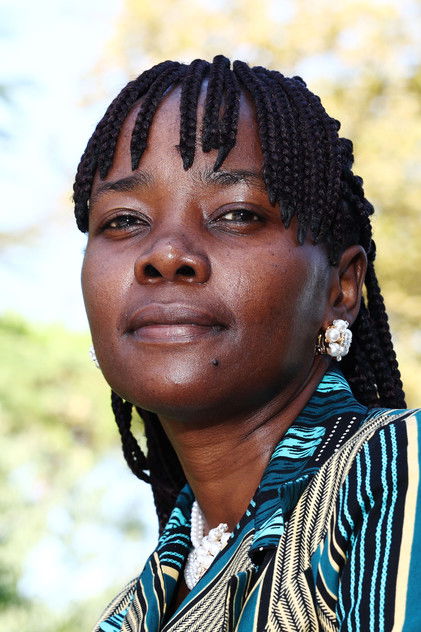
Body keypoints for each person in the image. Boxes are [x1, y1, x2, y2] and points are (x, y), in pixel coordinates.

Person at [73, 56, 421, 631]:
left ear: (341, 287)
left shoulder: (395, 471)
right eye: (124, 221)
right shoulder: (134, 611)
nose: (166, 254)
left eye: (236, 214)